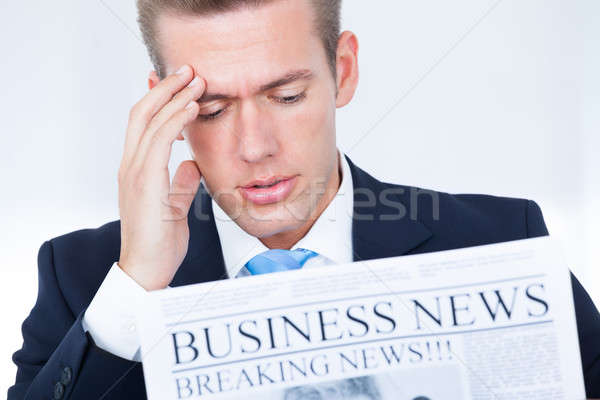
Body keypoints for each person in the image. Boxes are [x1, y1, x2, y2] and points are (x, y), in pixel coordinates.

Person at [8, 0, 600, 399]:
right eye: (211, 109)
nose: (255, 147)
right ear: (165, 109)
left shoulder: (502, 241)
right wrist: (138, 290)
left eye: (287, 96)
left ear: (342, 71)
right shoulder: (84, 280)